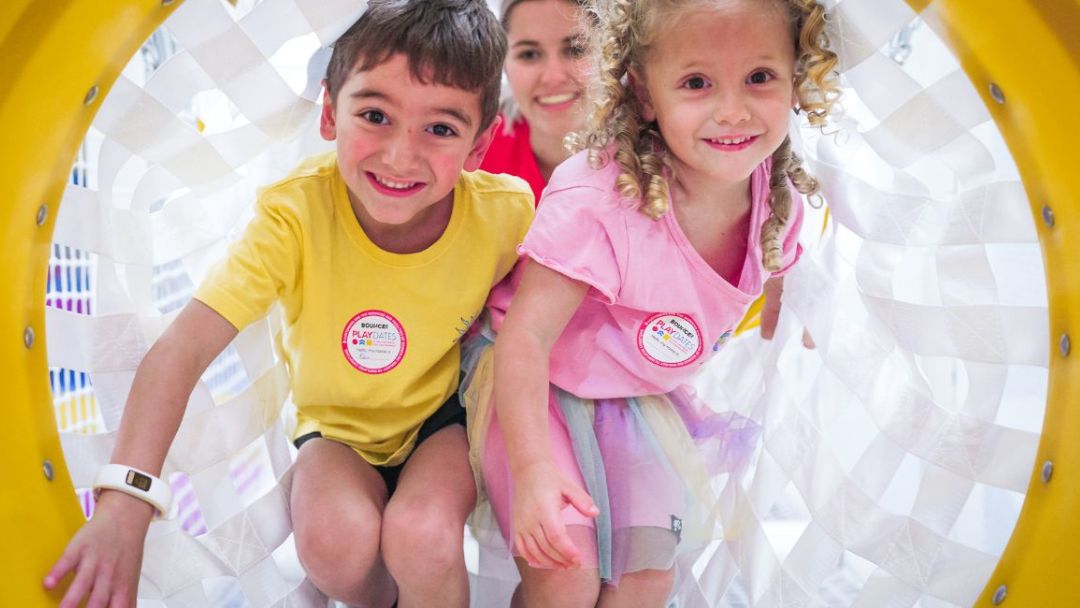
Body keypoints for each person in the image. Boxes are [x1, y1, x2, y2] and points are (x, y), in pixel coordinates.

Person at [43, 2, 533, 607]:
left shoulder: (505, 213)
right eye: (375, 115)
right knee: (330, 543)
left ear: (479, 145)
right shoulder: (295, 215)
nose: (400, 157)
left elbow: (555, 317)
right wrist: (126, 496)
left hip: (444, 422)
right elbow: (184, 346)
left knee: (423, 534)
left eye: (440, 129)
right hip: (334, 431)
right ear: (330, 113)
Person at [461, 0, 840, 606]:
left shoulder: (777, 195)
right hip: (536, 386)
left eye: (760, 77)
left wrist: (797, 320)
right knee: (565, 573)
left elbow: (781, 269)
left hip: (632, 397)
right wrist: (535, 473)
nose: (732, 109)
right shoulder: (599, 199)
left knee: (645, 580)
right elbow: (525, 340)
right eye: (696, 83)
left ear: (795, 77)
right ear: (643, 94)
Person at [480, 0, 589, 203]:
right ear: (503, 66)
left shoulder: (651, 159)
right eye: (529, 54)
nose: (553, 77)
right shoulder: (474, 152)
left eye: (576, 49)